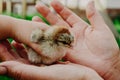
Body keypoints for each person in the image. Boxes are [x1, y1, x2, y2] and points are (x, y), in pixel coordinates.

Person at [0, 0, 119, 80]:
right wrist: (113, 68)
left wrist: (113, 66)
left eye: (69, 43)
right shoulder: (46, 41)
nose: (70, 46)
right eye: (65, 43)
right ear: (56, 41)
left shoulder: (61, 49)